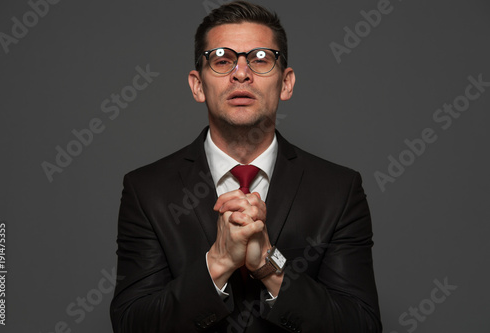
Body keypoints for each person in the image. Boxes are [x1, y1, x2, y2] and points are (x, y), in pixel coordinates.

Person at [110, 1, 382, 332]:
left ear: (286, 83)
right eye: (222, 60)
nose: (241, 73)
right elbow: (131, 325)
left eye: (261, 58)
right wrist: (217, 263)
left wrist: (271, 266)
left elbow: (361, 325)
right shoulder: (146, 191)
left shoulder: (339, 190)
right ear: (198, 85)